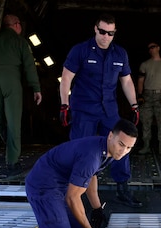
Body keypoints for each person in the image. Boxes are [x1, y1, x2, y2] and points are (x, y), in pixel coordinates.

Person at [59, 13, 142, 208]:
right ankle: (73, 192)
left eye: (110, 33)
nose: (106, 36)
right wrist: (64, 104)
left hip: (108, 110)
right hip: (84, 110)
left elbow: (127, 81)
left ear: (114, 33)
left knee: (122, 145)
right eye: (102, 32)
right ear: (95, 29)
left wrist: (135, 105)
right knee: (80, 150)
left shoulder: (119, 54)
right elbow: (66, 78)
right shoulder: (80, 51)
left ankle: (122, 188)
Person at [0, 14, 42, 170]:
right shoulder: (21, 42)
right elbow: (29, 67)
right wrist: (36, 88)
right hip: (11, 80)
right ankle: (12, 161)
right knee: (13, 122)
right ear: (15, 25)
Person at [137, 42, 161, 155]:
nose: (151, 49)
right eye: (149, 48)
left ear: (158, 48)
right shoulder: (145, 64)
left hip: (160, 94)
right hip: (147, 94)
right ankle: (146, 145)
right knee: (145, 120)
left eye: (153, 47)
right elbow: (140, 80)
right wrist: (140, 95)